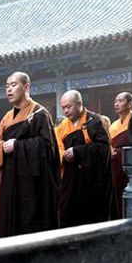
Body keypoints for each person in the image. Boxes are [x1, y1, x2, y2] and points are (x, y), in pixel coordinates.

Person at [0, 72, 60, 238]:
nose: (9, 90)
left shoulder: (39, 114)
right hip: (8, 179)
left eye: (13, 85)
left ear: (26, 87)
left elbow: (47, 148)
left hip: (31, 183)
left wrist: (18, 145)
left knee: (29, 225)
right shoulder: (7, 117)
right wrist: (1, 146)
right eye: (7, 86)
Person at [54, 90, 113, 227]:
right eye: (63, 108)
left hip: (90, 179)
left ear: (79, 104)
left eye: (69, 107)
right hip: (69, 177)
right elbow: (57, 147)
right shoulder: (63, 126)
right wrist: (63, 155)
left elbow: (103, 147)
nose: (66, 111)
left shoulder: (93, 121)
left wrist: (78, 151)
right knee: (66, 213)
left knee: (89, 217)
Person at [109, 92, 132, 218]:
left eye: (120, 101)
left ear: (130, 104)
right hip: (116, 164)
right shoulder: (113, 125)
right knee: (116, 192)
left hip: (130, 163)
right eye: (115, 101)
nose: (116, 104)